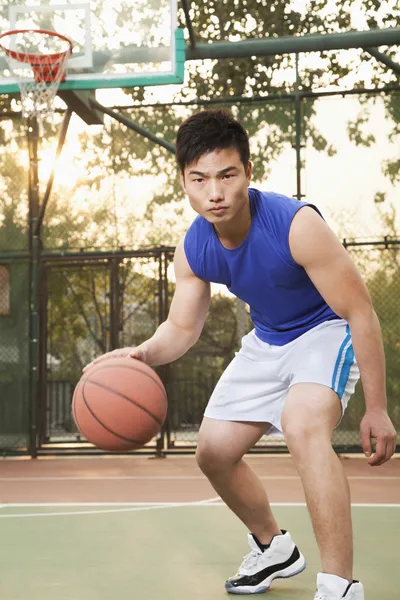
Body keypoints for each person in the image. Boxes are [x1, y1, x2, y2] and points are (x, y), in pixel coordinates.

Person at [84, 109, 397, 600]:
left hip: (325, 330)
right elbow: (182, 328)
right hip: (267, 340)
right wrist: (141, 354)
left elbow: (361, 313)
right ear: (183, 183)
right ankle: (273, 547)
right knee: (212, 452)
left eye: (227, 175)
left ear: (247, 173)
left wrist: (376, 408)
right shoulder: (194, 247)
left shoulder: (295, 225)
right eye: (200, 179)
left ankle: (339, 585)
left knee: (303, 424)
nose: (215, 192)